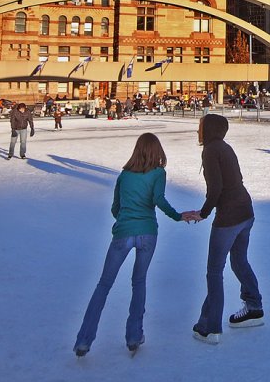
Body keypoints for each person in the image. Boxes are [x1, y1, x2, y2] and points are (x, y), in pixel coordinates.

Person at [73, 133, 192, 357]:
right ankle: (134, 336)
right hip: (147, 233)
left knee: (104, 285)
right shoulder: (158, 173)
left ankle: (84, 340)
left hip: (123, 232)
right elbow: (158, 199)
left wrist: (124, 220)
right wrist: (177, 216)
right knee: (138, 282)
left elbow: (115, 208)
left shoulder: (125, 175)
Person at [189, 113, 263, 345]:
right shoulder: (224, 147)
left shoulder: (211, 150)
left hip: (229, 217)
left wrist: (203, 213)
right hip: (245, 212)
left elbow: (216, 188)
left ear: (209, 129)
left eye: (200, 127)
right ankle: (254, 307)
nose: (197, 131)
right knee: (239, 261)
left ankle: (210, 327)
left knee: (214, 271)